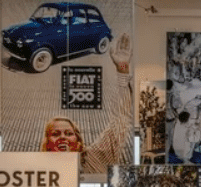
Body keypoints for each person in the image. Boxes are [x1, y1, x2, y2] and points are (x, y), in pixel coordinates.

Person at [38, 34, 133, 173]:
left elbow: (120, 119)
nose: (62, 137)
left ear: (78, 142)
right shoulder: (37, 169)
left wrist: (122, 68)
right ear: (46, 143)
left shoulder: (96, 157)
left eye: (68, 133)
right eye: (56, 134)